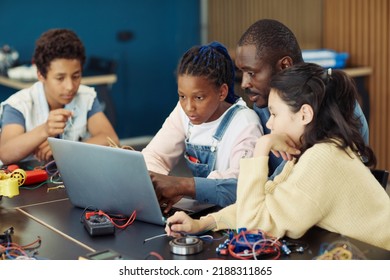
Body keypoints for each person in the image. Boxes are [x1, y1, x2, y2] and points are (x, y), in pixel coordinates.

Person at [165, 62, 390, 251]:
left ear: (304, 114)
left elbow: (252, 224)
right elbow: (265, 203)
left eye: (274, 113)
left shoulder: (323, 159)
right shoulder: (315, 150)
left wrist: (261, 148)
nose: (270, 123)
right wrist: (202, 223)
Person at [235, 19, 369, 177]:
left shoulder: (331, 106)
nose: (244, 84)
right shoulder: (263, 101)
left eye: (251, 73)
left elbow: (278, 188)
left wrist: (263, 146)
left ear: (285, 65)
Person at [142, 42, 262, 211]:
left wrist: (181, 186)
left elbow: (239, 185)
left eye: (198, 98)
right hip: (199, 210)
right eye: (182, 96)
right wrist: (154, 185)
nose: (189, 107)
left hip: (230, 217)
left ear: (222, 92)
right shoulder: (184, 112)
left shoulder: (246, 123)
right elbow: (155, 155)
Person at [0, 29, 119, 165]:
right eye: (60, 78)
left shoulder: (86, 97)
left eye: (76, 76)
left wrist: (63, 150)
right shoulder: (19, 104)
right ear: (40, 75)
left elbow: (112, 140)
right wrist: (44, 130)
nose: (70, 86)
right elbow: (5, 153)